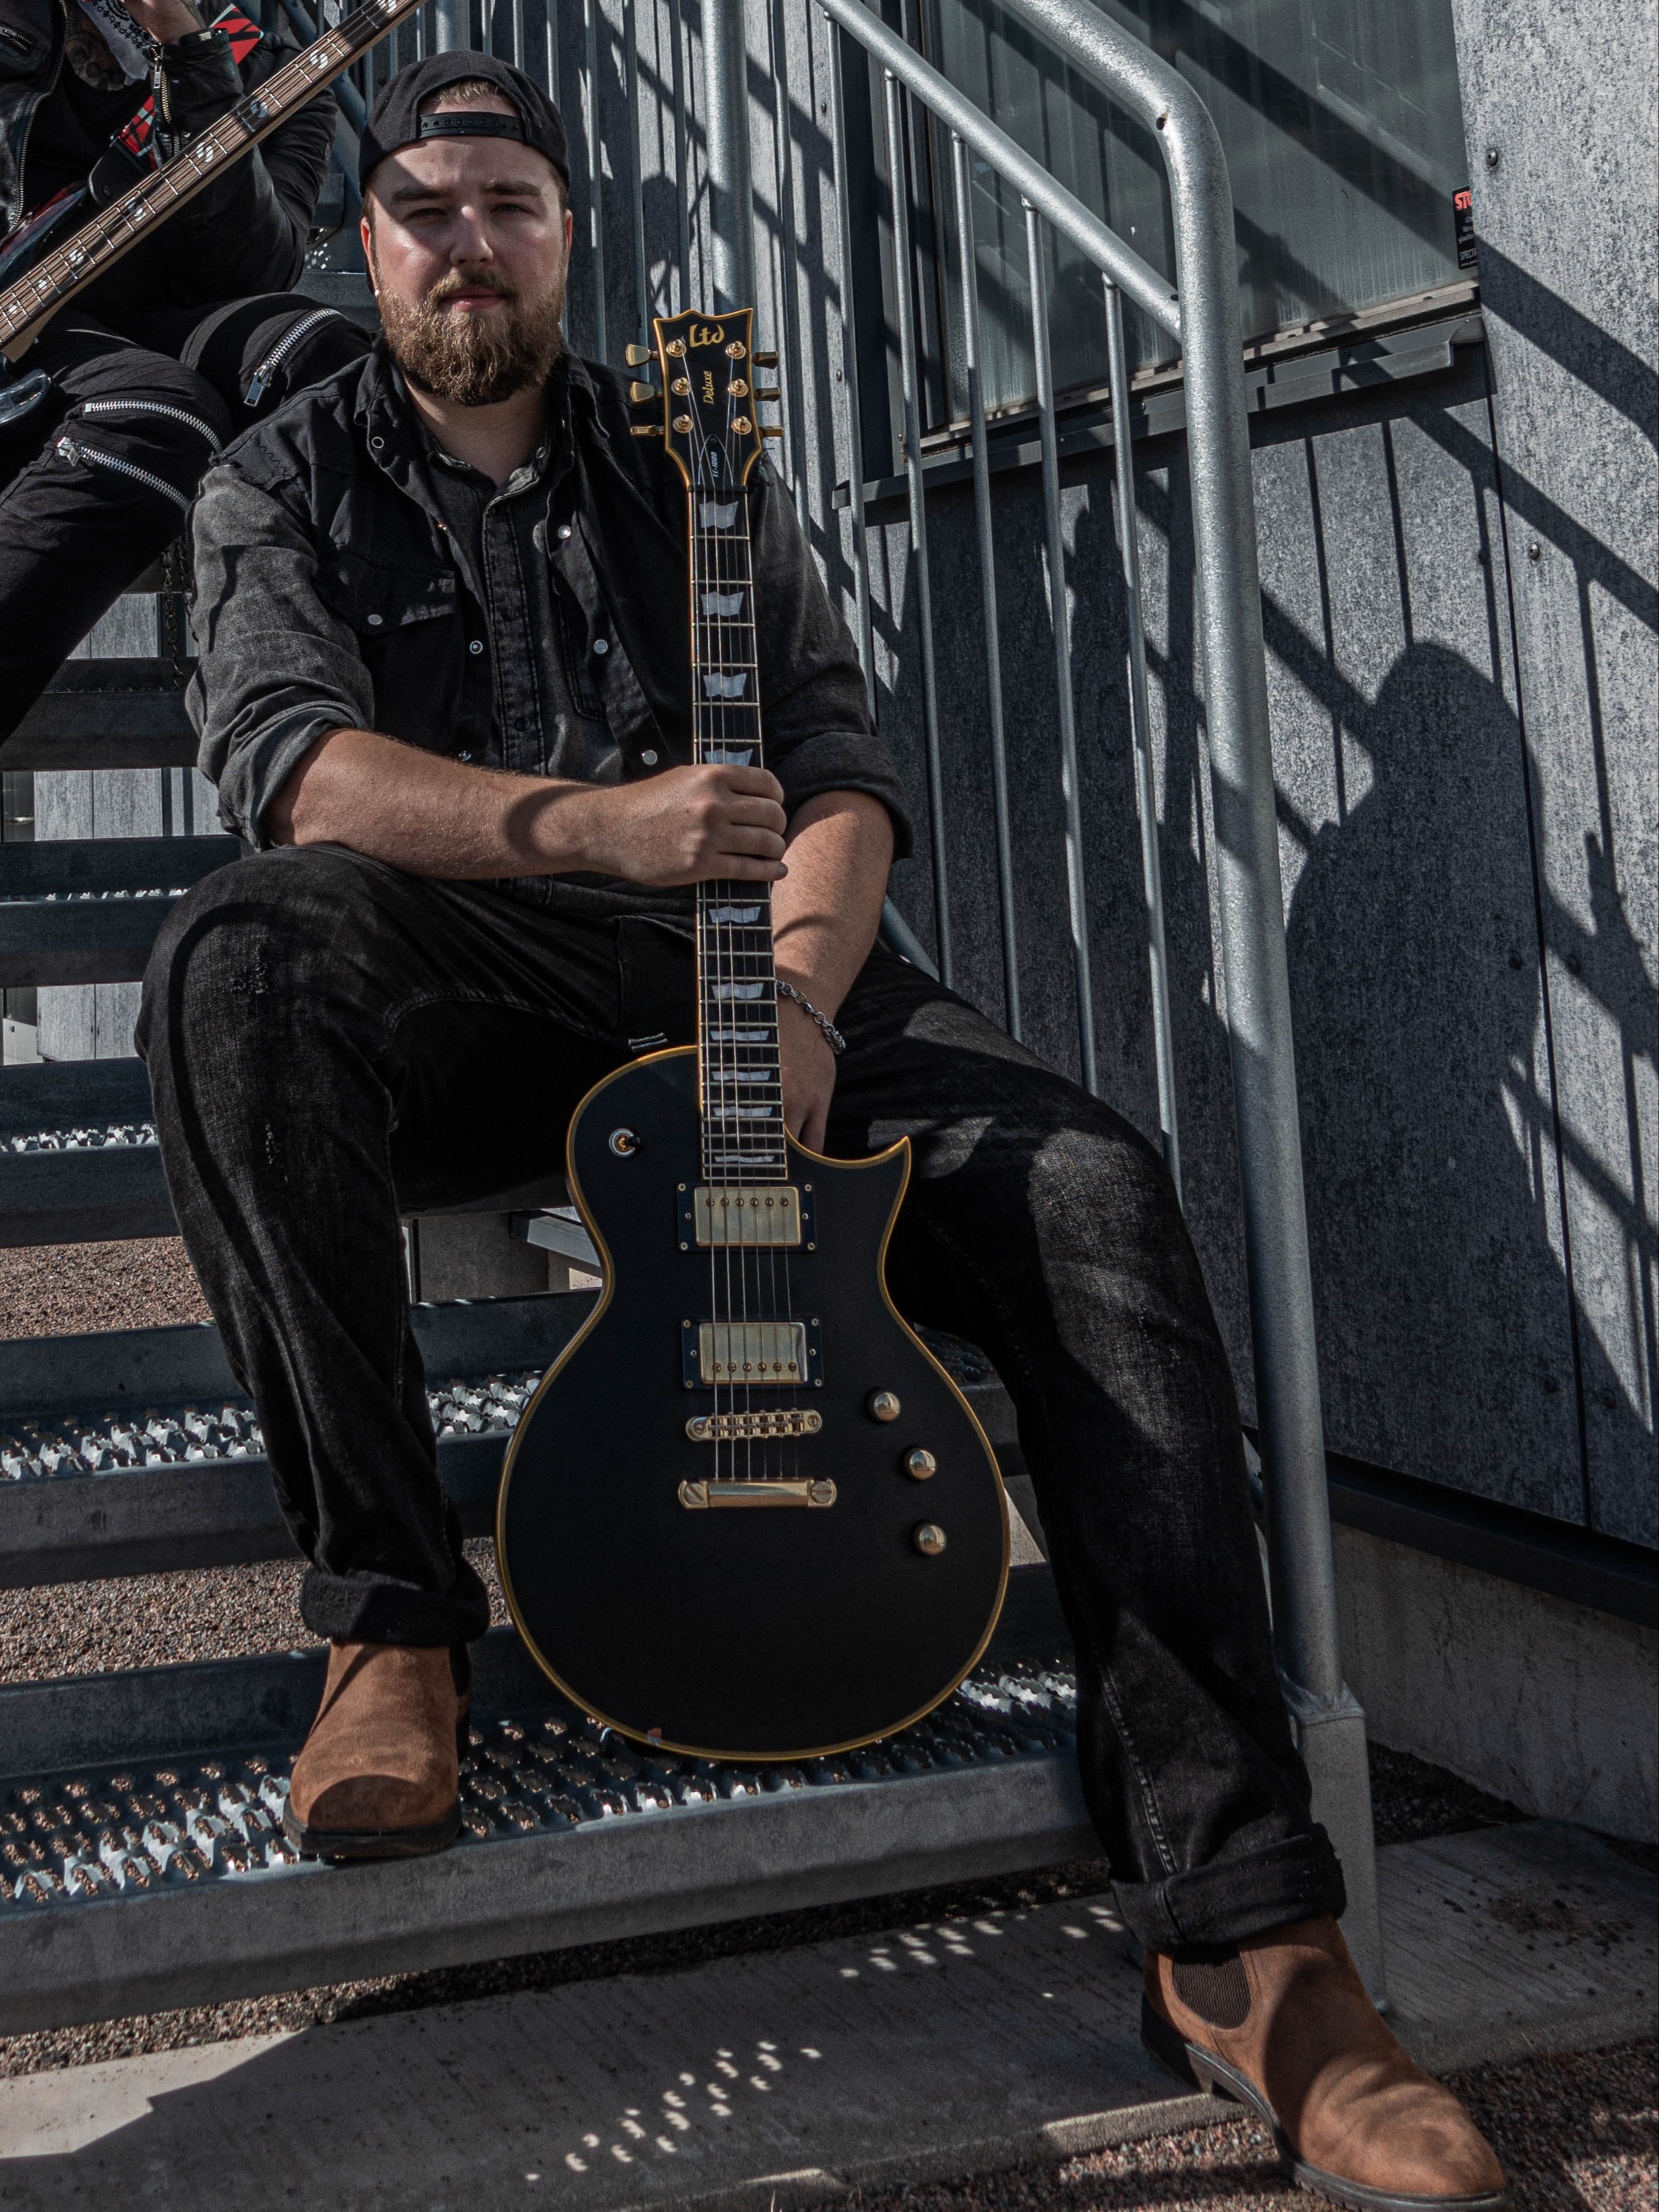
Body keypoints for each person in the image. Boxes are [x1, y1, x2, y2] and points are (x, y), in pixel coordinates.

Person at [142, 50, 1507, 2211]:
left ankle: (1251, 1941)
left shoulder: (689, 459)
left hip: (757, 967)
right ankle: (392, 1620)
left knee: (1086, 1185)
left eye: (509, 202)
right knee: (237, 958)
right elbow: (298, 773)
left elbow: (837, 768)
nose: (467, 241)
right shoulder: (277, 477)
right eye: (425, 207)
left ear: (568, 233)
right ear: (365, 239)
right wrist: (595, 827)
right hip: (469, 976)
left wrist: (787, 995)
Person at [0, 0, 371, 734]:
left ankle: (370, 729)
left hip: (167, 324)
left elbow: (257, 270)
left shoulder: (279, 70)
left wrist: (189, 50)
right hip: (30, 329)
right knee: (160, 411)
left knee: (320, 359)